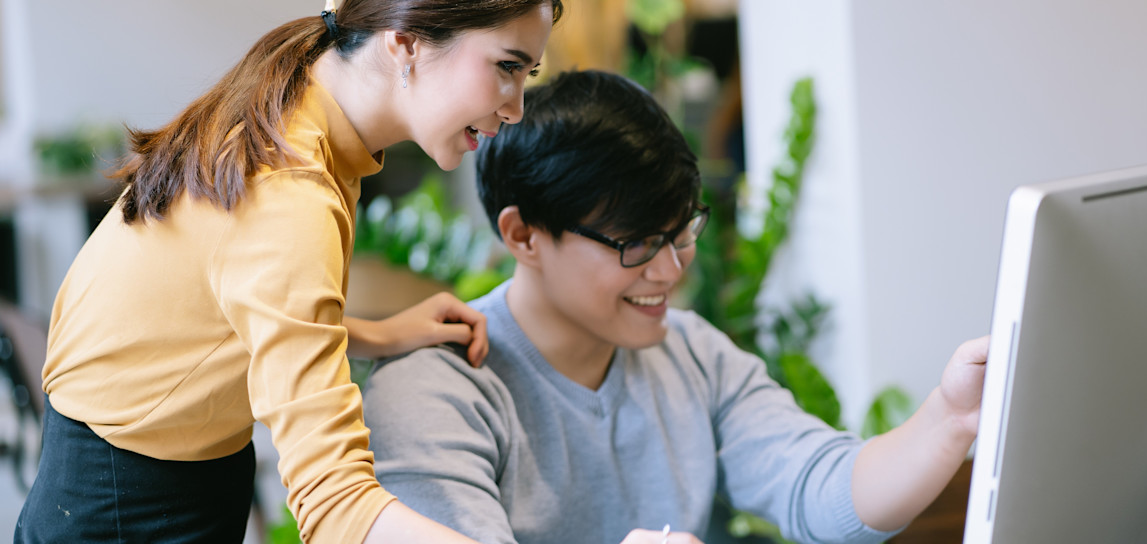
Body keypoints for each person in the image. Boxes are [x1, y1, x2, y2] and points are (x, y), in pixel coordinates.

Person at [362, 70, 990, 544]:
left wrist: (949, 419)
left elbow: (818, 486)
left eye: (680, 230)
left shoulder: (691, 351)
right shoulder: (435, 392)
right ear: (524, 235)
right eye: (636, 244)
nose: (670, 269)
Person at [15, 1, 562, 543]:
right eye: (507, 67)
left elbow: (229, 304)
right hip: (125, 508)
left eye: (527, 73)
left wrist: (374, 333)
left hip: (163, 469)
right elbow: (336, 508)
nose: (515, 107)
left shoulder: (301, 104)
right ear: (405, 40)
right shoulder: (287, 195)